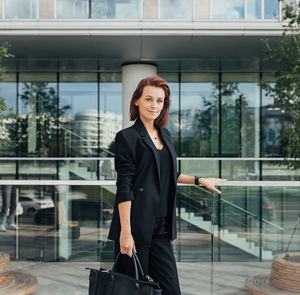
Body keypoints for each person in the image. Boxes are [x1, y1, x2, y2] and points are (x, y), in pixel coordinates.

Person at [107, 75, 226, 295]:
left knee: (171, 289)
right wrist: (125, 232)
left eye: (159, 101)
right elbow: (124, 186)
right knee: (135, 290)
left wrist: (200, 180)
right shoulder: (127, 137)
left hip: (161, 228)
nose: (154, 105)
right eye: (149, 99)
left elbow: (170, 173)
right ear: (137, 101)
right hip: (136, 228)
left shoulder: (166, 135)